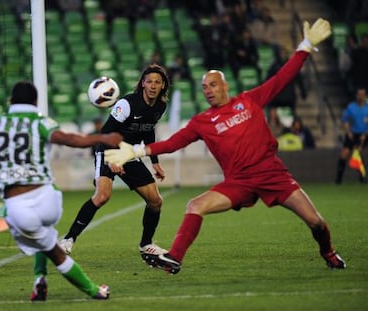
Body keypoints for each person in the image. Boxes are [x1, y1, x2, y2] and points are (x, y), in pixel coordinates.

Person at [104, 18, 347, 274]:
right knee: (195, 205)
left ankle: (328, 253)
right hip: (239, 182)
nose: (208, 90)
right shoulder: (202, 121)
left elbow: (281, 79)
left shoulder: (249, 101)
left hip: (273, 175)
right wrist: (137, 151)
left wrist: (305, 46)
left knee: (316, 223)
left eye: (213, 84)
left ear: (225, 86)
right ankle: (174, 257)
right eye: (204, 87)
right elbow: (173, 143)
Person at [0, 81, 122, 301]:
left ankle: (94, 291)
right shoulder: (40, 121)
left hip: (18, 204)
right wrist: (103, 137)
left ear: (11, 101)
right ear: (35, 102)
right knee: (46, 237)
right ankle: (40, 279)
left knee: (55, 252)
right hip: (47, 197)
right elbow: (68, 139)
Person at [60, 64, 171, 262]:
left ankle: (146, 244)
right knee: (102, 196)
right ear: (142, 84)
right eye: (149, 81)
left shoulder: (160, 106)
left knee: (155, 201)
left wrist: (154, 161)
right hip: (108, 150)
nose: (153, 85)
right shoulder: (127, 104)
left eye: (157, 82)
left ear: (163, 85)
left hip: (129, 155)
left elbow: (148, 131)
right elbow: (105, 133)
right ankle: (68, 240)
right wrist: (112, 158)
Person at [335, 87, 368, 184]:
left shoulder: (367, 108)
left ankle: (362, 178)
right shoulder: (351, 107)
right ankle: (339, 179)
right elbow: (345, 120)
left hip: (363, 135)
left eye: (362, 95)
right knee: (344, 154)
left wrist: (365, 134)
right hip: (352, 134)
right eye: (358, 94)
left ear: (365, 96)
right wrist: (348, 132)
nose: (360, 97)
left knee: (357, 153)